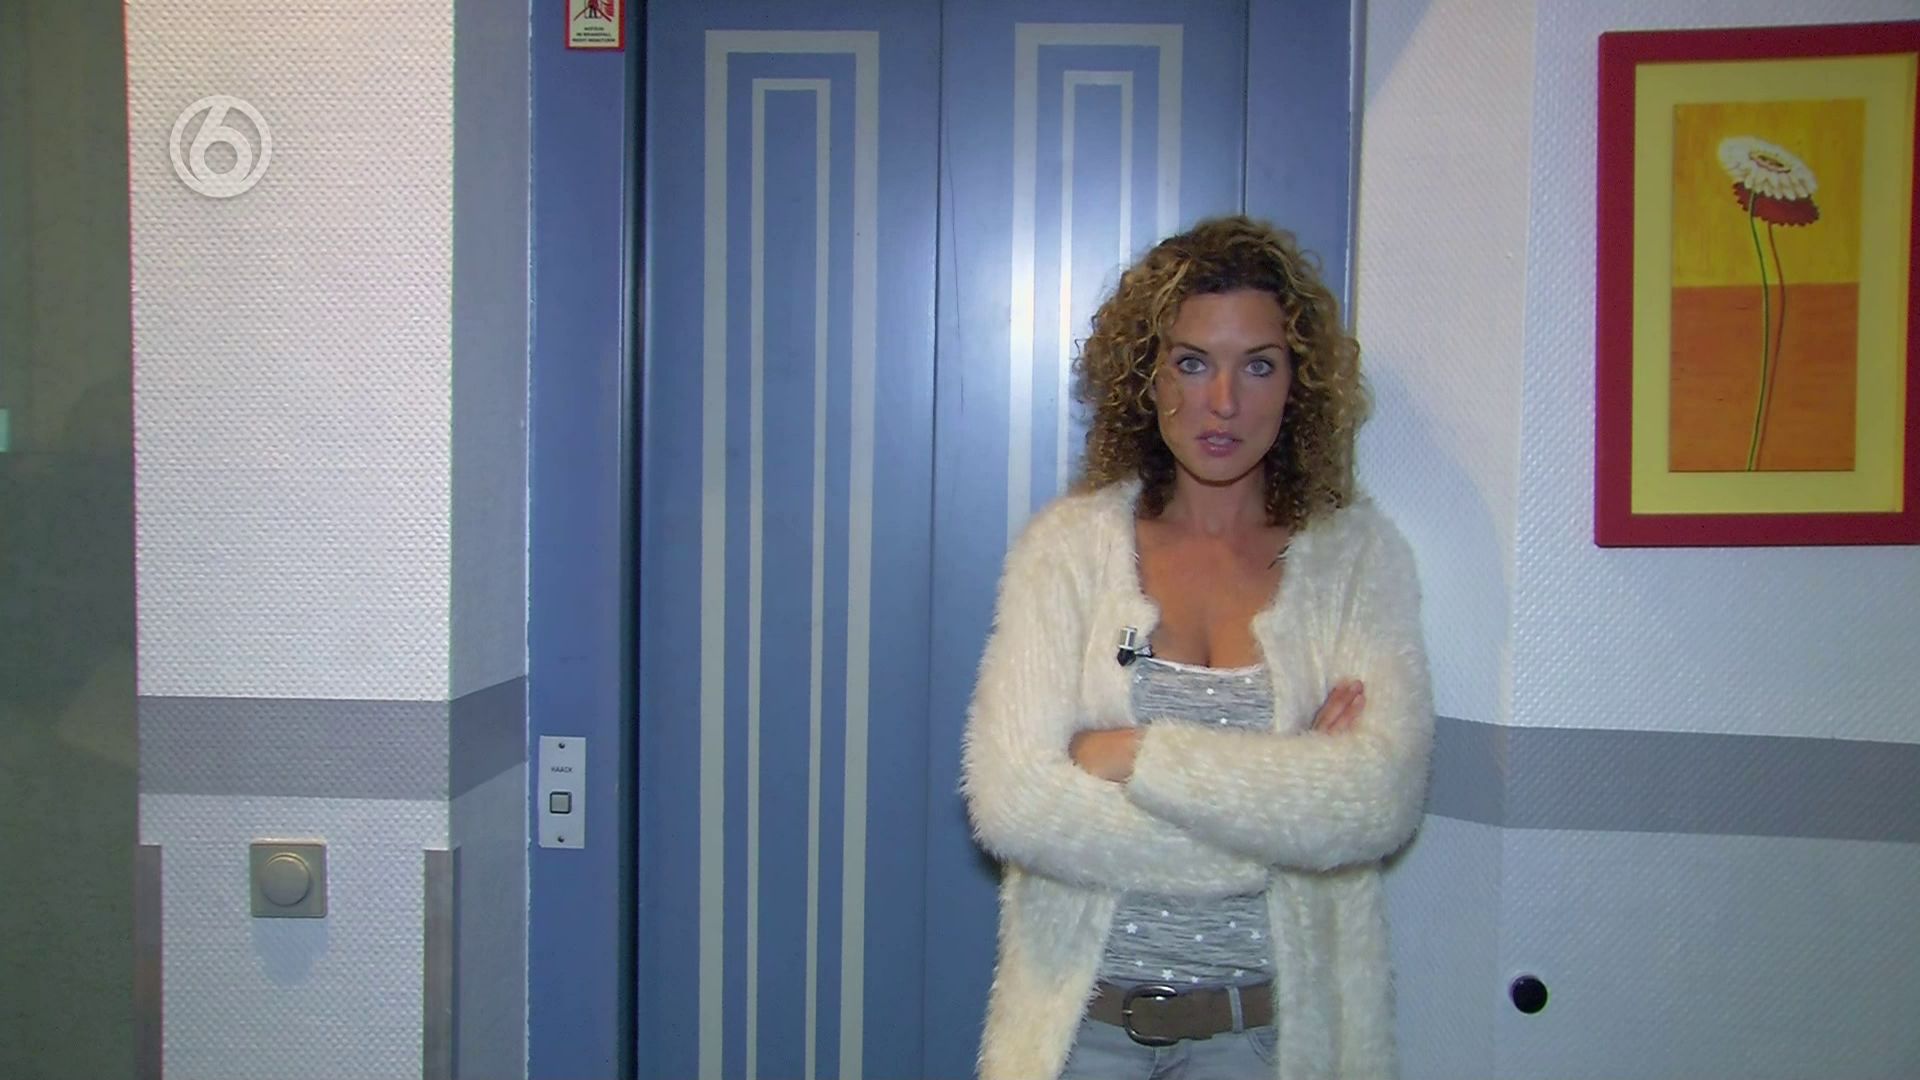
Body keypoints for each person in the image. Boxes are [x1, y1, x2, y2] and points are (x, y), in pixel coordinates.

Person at [961, 215, 1434, 1080]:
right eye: (1191, 362)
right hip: (1081, 1034)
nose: (1222, 402)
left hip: (1267, 1039)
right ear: (1147, 376)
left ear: (1299, 383)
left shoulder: (1356, 560)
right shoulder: (1067, 550)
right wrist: (1284, 808)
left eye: (1258, 365)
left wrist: (1135, 756)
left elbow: (1378, 801)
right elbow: (1013, 801)